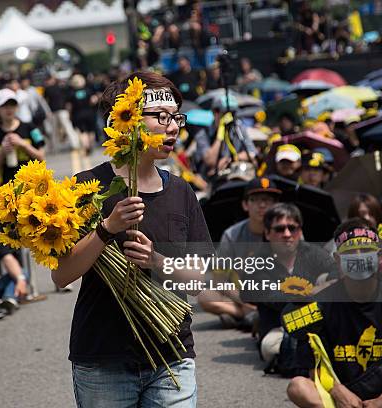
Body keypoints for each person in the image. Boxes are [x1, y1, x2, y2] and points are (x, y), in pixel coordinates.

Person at [53, 71, 213, 406]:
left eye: (176, 118)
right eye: (162, 117)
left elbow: (200, 277)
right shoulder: (87, 188)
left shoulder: (181, 191)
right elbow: (61, 274)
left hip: (172, 353)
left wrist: (156, 262)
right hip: (103, 358)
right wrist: (106, 228)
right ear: (128, 121)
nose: (173, 127)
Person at [287, 218, 382, 407]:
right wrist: (337, 391)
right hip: (342, 398)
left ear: (378, 256)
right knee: (298, 387)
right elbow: (313, 365)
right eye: (350, 252)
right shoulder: (319, 305)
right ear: (338, 260)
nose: (358, 257)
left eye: (365, 251)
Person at [242, 203, 337, 370]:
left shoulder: (313, 253)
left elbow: (338, 276)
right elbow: (273, 298)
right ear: (267, 233)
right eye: (279, 229)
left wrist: (325, 286)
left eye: (292, 228)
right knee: (270, 346)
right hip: (279, 327)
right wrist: (314, 292)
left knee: (326, 278)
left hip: (315, 321)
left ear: (300, 231)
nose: (287, 234)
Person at [198, 177, 281, 329]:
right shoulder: (232, 235)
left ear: (276, 205)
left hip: (276, 293)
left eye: (268, 200)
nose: (262, 205)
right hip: (240, 293)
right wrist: (245, 302)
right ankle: (246, 314)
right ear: (245, 204)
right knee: (205, 296)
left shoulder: (287, 231)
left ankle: (241, 317)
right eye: (255, 200)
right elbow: (220, 280)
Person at [0, 88, 46, 185]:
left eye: (12, 105)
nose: (9, 109)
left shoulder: (31, 128)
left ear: (17, 107)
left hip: (32, 184)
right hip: (8, 188)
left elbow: (42, 157)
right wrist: (2, 153)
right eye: (4, 106)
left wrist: (23, 144)